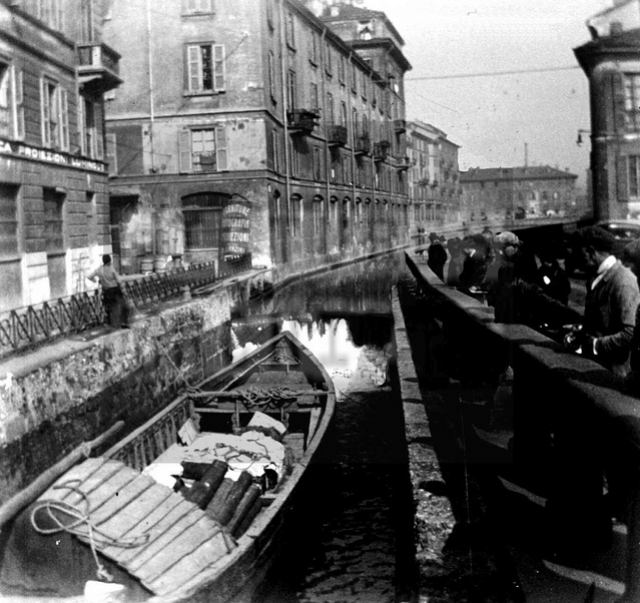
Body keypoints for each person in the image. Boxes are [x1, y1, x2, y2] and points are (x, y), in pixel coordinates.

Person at [566, 226, 639, 378]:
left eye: (579, 253)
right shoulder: (598, 277)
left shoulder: (622, 282)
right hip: (597, 369)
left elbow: (630, 334)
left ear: (590, 251)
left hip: (614, 376)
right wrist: (581, 333)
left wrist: (594, 345)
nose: (576, 260)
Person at [87, 254, 130, 329]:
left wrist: (96, 281)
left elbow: (89, 276)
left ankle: (110, 323)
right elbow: (119, 281)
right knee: (123, 305)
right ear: (109, 261)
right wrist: (124, 291)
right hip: (115, 290)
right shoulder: (112, 269)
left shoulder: (99, 269)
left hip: (106, 291)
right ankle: (124, 322)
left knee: (109, 307)